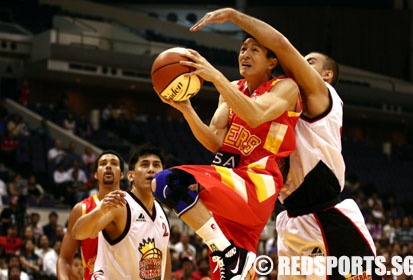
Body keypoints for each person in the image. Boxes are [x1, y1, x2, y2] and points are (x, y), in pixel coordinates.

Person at [190, 8, 380, 279]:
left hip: (327, 214)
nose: (298, 63)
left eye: (309, 61)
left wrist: (234, 16)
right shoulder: (278, 97)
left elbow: (281, 46)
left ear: (325, 76)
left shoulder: (322, 95)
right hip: (289, 218)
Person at [151, 19, 301, 279]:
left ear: (272, 62)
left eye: (254, 49)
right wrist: (186, 108)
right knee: (232, 276)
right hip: (229, 188)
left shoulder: (286, 87)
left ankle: (228, 253)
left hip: (259, 183)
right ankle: (227, 252)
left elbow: (256, 114)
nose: (245, 54)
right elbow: (214, 141)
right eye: (243, 48)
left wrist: (214, 76)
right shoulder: (231, 89)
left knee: (167, 182)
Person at [71, 144, 171, 279]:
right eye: (145, 165)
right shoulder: (120, 204)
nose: (151, 170)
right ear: (130, 176)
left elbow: (164, 257)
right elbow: (78, 233)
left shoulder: (161, 211)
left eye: (156, 165)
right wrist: (99, 210)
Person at [56, 150, 124, 280]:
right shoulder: (81, 209)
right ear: (95, 175)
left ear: (121, 175)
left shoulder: (133, 206)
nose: (108, 166)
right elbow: (64, 259)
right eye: (103, 163)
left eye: (114, 163)